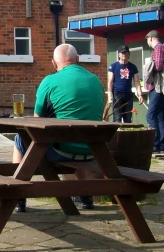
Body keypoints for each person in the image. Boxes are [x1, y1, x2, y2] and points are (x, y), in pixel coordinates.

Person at [13, 44, 104, 212]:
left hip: (63, 149)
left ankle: (18, 196)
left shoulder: (50, 81)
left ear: (54, 64)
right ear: (78, 60)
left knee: (21, 138)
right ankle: (86, 197)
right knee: (76, 137)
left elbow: (36, 122)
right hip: (93, 150)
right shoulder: (96, 80)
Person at [144, 30, 164, 154]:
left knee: (150, 116)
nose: (147, 42)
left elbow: (158, 66)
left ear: (151, 38)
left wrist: (148, 65)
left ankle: (155, 146)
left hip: (159, 88)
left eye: (147, 40)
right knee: (160, 116)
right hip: (163, 88)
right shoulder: (163, 48)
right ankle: (163, 146)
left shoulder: (159, 48)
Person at [107, 46, 143, 123]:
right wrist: (110, 95)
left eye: (126, 52)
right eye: (122, 53)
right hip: (117, 95)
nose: (124, 54)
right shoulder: (113, 66)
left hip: (128, 95)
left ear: (129, 54)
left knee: (128, 120)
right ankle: (116, 134)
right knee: (117, 119)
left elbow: (137, 81)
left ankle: (127, 135)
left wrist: (140, 95)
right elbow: (110, 81)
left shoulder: (133, 67)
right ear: (119, 55)